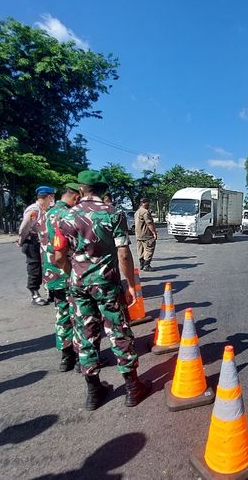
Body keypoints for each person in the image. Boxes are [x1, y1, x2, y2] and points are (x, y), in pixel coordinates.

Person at [55, 171, 151, 411]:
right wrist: (129, 284)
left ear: (81, 189)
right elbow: (123, 253)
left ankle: (93, 392)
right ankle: (132, 388)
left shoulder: (66, 217)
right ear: (101, 189)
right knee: (118, 330)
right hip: (106, 283)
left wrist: (73, 273)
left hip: (78, 285)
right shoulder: (113, 213)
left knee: (85, 334)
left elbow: (58, 257)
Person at [37, 183, 82, 372]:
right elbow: (67, 248)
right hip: (66, 270)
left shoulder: (46, 214)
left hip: (51, 273)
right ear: (76, 197)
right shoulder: (67, 215)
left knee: (61, 313)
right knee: (78, 314)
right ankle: (81, 357)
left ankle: (66, 357)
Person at [17, 186, 55, 305]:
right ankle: (34, 294)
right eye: (52, 197)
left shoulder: (44, 209)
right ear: (48, 197)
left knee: (46, 266)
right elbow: (24, 227)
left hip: (41, 241)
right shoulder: (34, 210)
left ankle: (50, 291)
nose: (53, 199)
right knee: (35, 268)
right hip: (32, 242)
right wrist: (21, 240)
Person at [134, 197, 158, 272]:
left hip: (138, 234)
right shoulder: (145, 212)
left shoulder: (137, 212)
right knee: (149, 248)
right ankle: (146, 265)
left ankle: (142, 264)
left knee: (140, 250)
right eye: (148, 203)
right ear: (145, 203)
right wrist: (154, 233)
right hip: (146, 234)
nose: (149, 205)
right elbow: (149, 223)